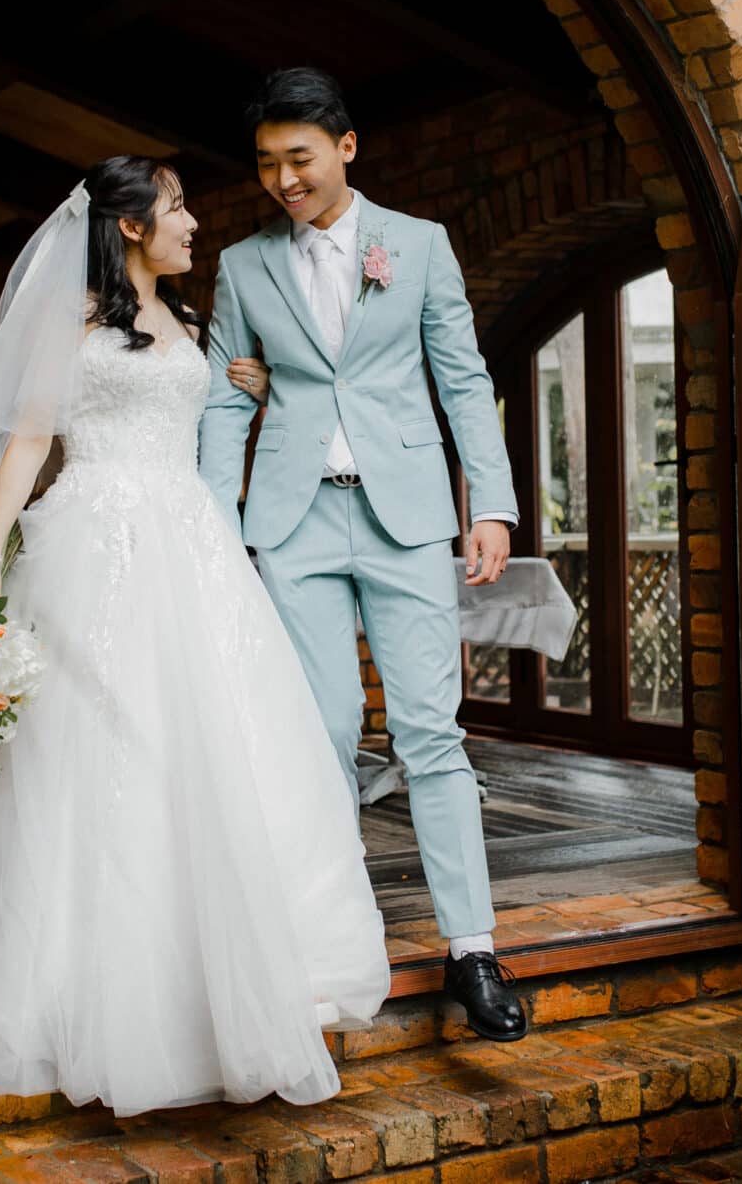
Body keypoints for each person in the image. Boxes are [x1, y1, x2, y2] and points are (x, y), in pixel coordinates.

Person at [0, 155, 388, 1116]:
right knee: (99, 749)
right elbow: (31, 441)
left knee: (215, 741)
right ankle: (99, 974)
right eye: (176, 209)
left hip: (191, 541)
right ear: (128, 225)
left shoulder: (188, 322)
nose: (193, 224)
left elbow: (197, 414)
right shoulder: (72, 322)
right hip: (94, 538)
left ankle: (243, 957)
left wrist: (244, 388)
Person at [199, 67, 526, 1041]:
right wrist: (216, 529)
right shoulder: (242, 267)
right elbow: (225, 400)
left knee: (431, 733)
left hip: (408, 515)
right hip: (291, 521)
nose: (282, 181)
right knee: (320, 735)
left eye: (297, 159)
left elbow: (463, 380)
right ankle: (330, 945)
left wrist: (492, 505)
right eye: (265, 165)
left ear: (344, 147)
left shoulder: (417, 246)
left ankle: (472, 949)